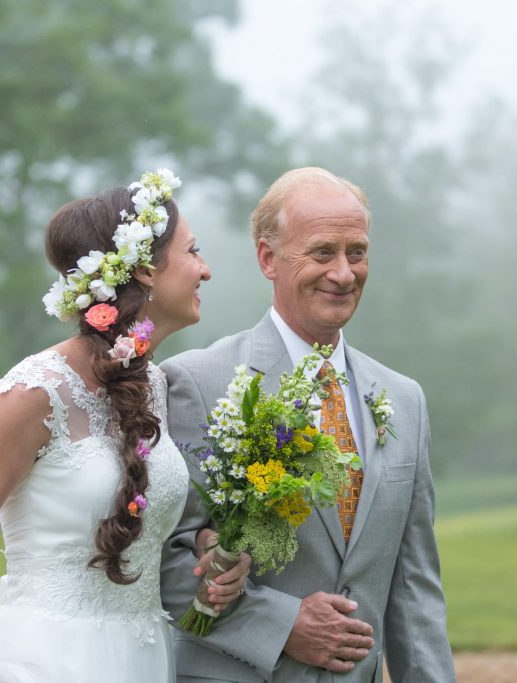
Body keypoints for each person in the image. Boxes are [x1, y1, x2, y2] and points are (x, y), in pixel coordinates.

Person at [0, 169, 251, 683]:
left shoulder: (156, 385)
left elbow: (144, 533)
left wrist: (209, 555)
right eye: (193, 252)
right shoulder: (35, 392)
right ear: (143, 270)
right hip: (42, 663)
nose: (205, 271)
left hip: (142, 659)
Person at [160, 167, 457, 682]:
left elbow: (414, 588)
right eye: (322, 252)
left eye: (357, 253)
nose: (344, 273)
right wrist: (285, 624)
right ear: (268, 258)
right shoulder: (197, 383)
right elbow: (168, 564)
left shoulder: (404, 400)